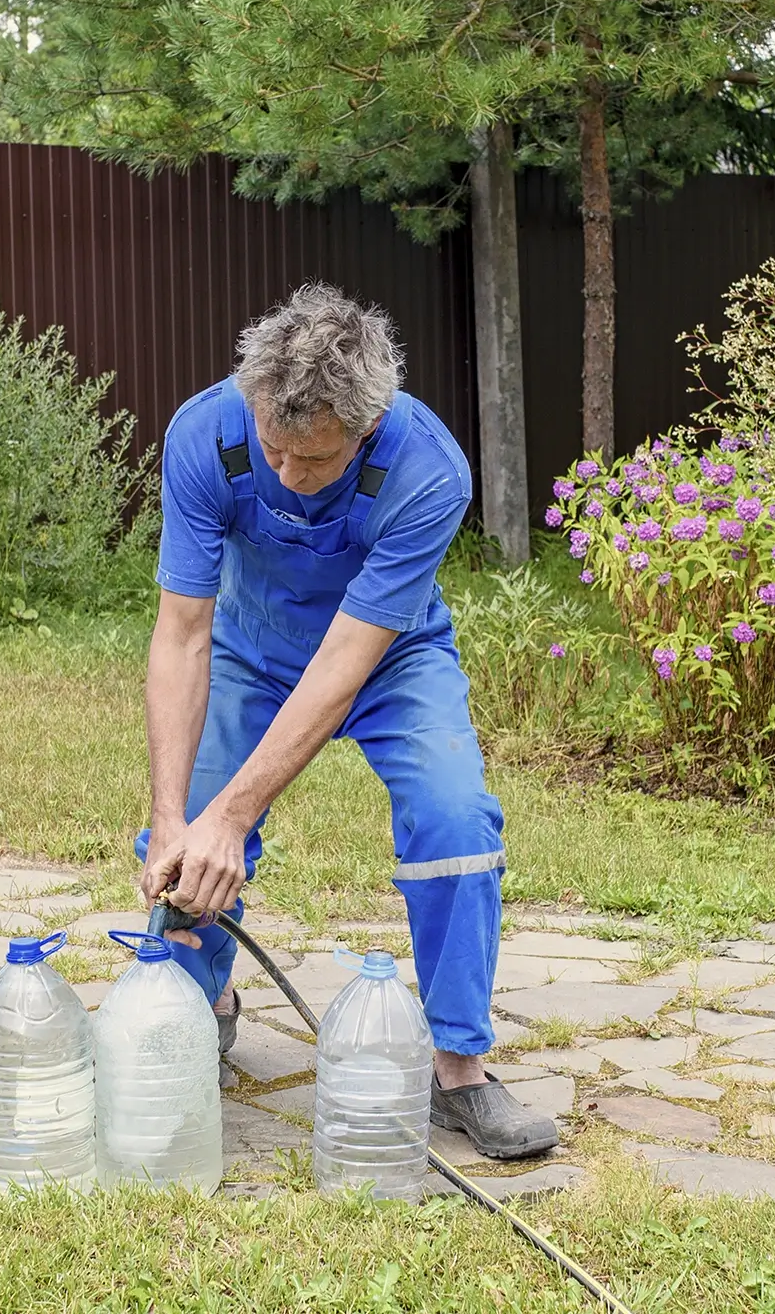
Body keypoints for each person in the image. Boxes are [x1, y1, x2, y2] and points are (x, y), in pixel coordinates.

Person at [137, 283, 557, 1160]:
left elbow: (343, 665)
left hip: (386, 658)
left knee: (455, 818)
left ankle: (459, 1070)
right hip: (251, 650)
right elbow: (182, 634)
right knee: (190, 841)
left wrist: (233, 814)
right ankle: (198, 1006)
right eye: (273, 448)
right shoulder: (204, 435)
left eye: (313, 460)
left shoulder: (426, 470)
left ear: (364, 430)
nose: (287, 473)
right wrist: (178, 817)